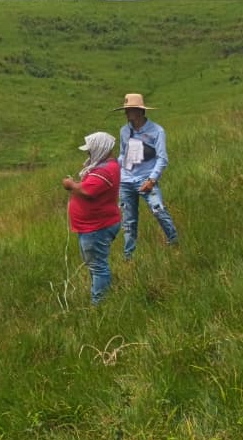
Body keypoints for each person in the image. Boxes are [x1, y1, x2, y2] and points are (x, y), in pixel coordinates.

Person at [116, 92, 179, 259]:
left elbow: (162, 158)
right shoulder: (124, 131)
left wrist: (152, 179)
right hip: (126, 179)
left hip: (146, 178)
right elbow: (122, 153)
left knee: (158, 209)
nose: (126, 113)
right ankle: (128, 255)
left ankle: (173, 241)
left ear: (139, 111)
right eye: (126, 110)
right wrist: (116, 167)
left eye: (129, 110)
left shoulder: (157, 131)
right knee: (128, 220)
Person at [62, 132, 122, 305]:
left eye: (90, 150)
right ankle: (99, 299)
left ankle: (99, 306)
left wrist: (70, 185)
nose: (88, 154)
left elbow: (87, 191)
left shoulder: (105, 170)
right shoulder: (105, 166)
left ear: (100, 148)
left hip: (97, 227)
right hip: (92, 226)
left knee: (98, 267)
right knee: (95, 265)